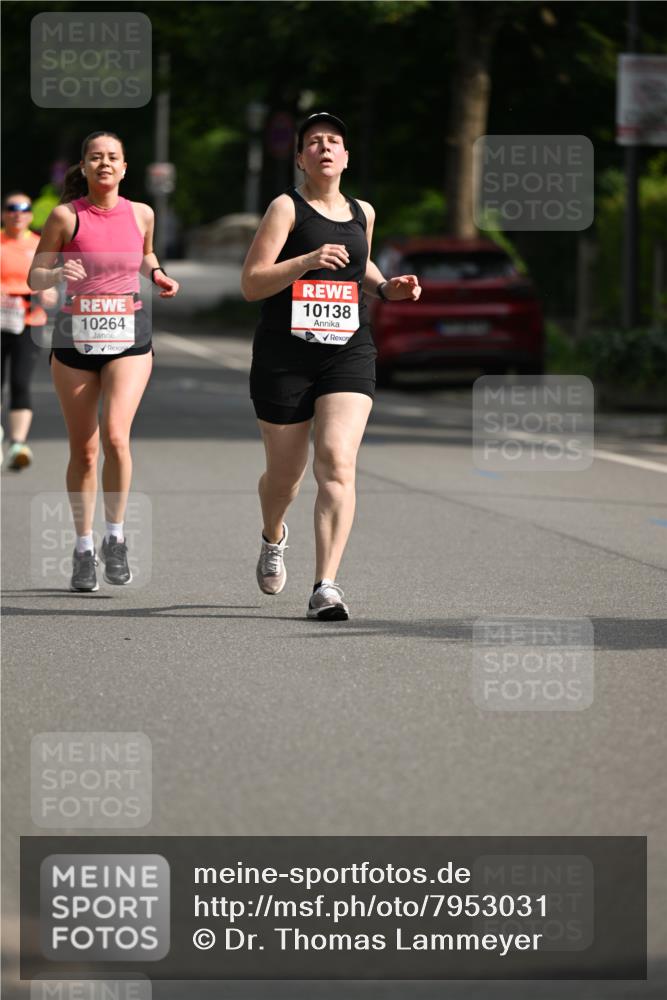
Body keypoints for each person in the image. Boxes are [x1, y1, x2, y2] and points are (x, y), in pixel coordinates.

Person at [241, 112, 421, 620]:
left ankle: (326, 586)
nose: (324, 147)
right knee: (285, 476)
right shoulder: (285, 208)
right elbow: (252, 283)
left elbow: (357, 261)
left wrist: (386, 287)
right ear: (300, 157)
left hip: (348, 349)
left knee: (337, 461)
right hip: (285, 355)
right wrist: (306, 260)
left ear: (345, 156)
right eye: (313, 142)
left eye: (333, 141)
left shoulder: (362, 210)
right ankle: (273, 535)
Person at [28, 131, 179, 592]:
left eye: (113, 157)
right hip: (75, 338)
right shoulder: (64, 216)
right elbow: (35, 274)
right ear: (86, 166)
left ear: (125, 167)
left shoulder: (142, 212)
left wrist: (156, 273)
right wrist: (56, 272)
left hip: (129, 333)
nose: (105, 164)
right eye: (97, 157)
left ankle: (115, 536)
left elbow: (147, 251)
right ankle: (83, 546)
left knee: (116, 435)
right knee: (85, 449)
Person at [1, 192, 58, 469]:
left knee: (21, 383)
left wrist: (48, 295)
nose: (17, 213)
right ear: (3, 214)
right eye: (12, 208)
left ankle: (18, 444)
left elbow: (49, 286)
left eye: (24, 209)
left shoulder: (38, 246)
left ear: (30, 216)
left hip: (28, 323)